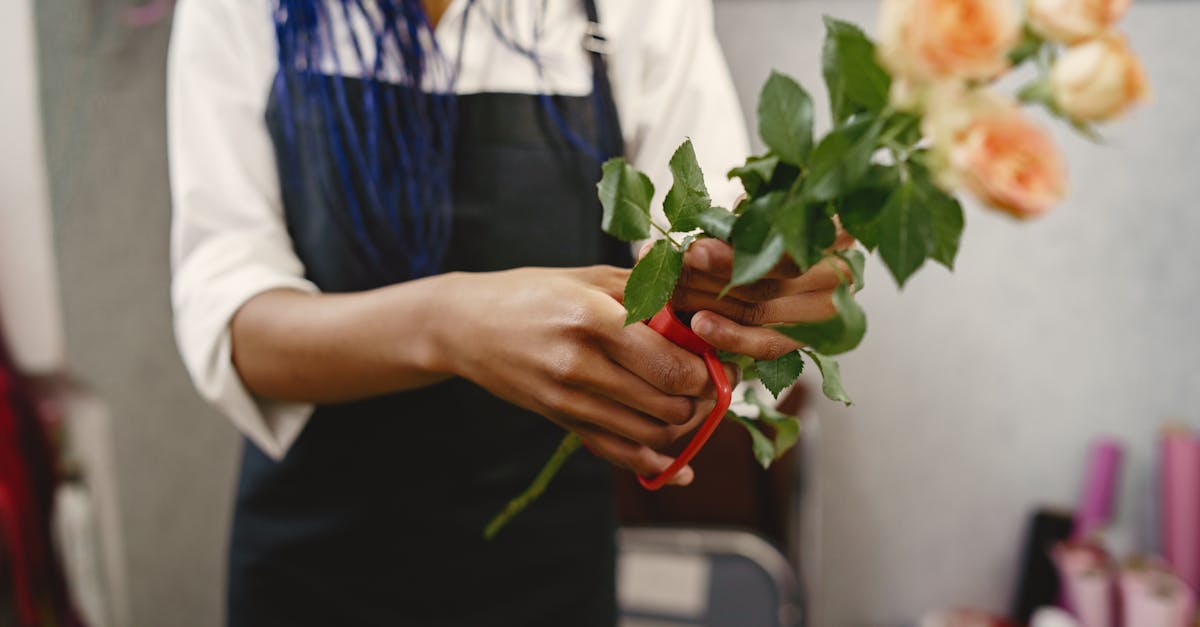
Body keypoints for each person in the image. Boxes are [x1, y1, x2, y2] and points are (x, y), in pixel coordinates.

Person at [168, 0, 846, 624]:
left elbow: (706, 252)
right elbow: (237, 328)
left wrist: (738, 305)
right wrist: (449, 323)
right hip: (311, 571)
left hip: (548, 573)